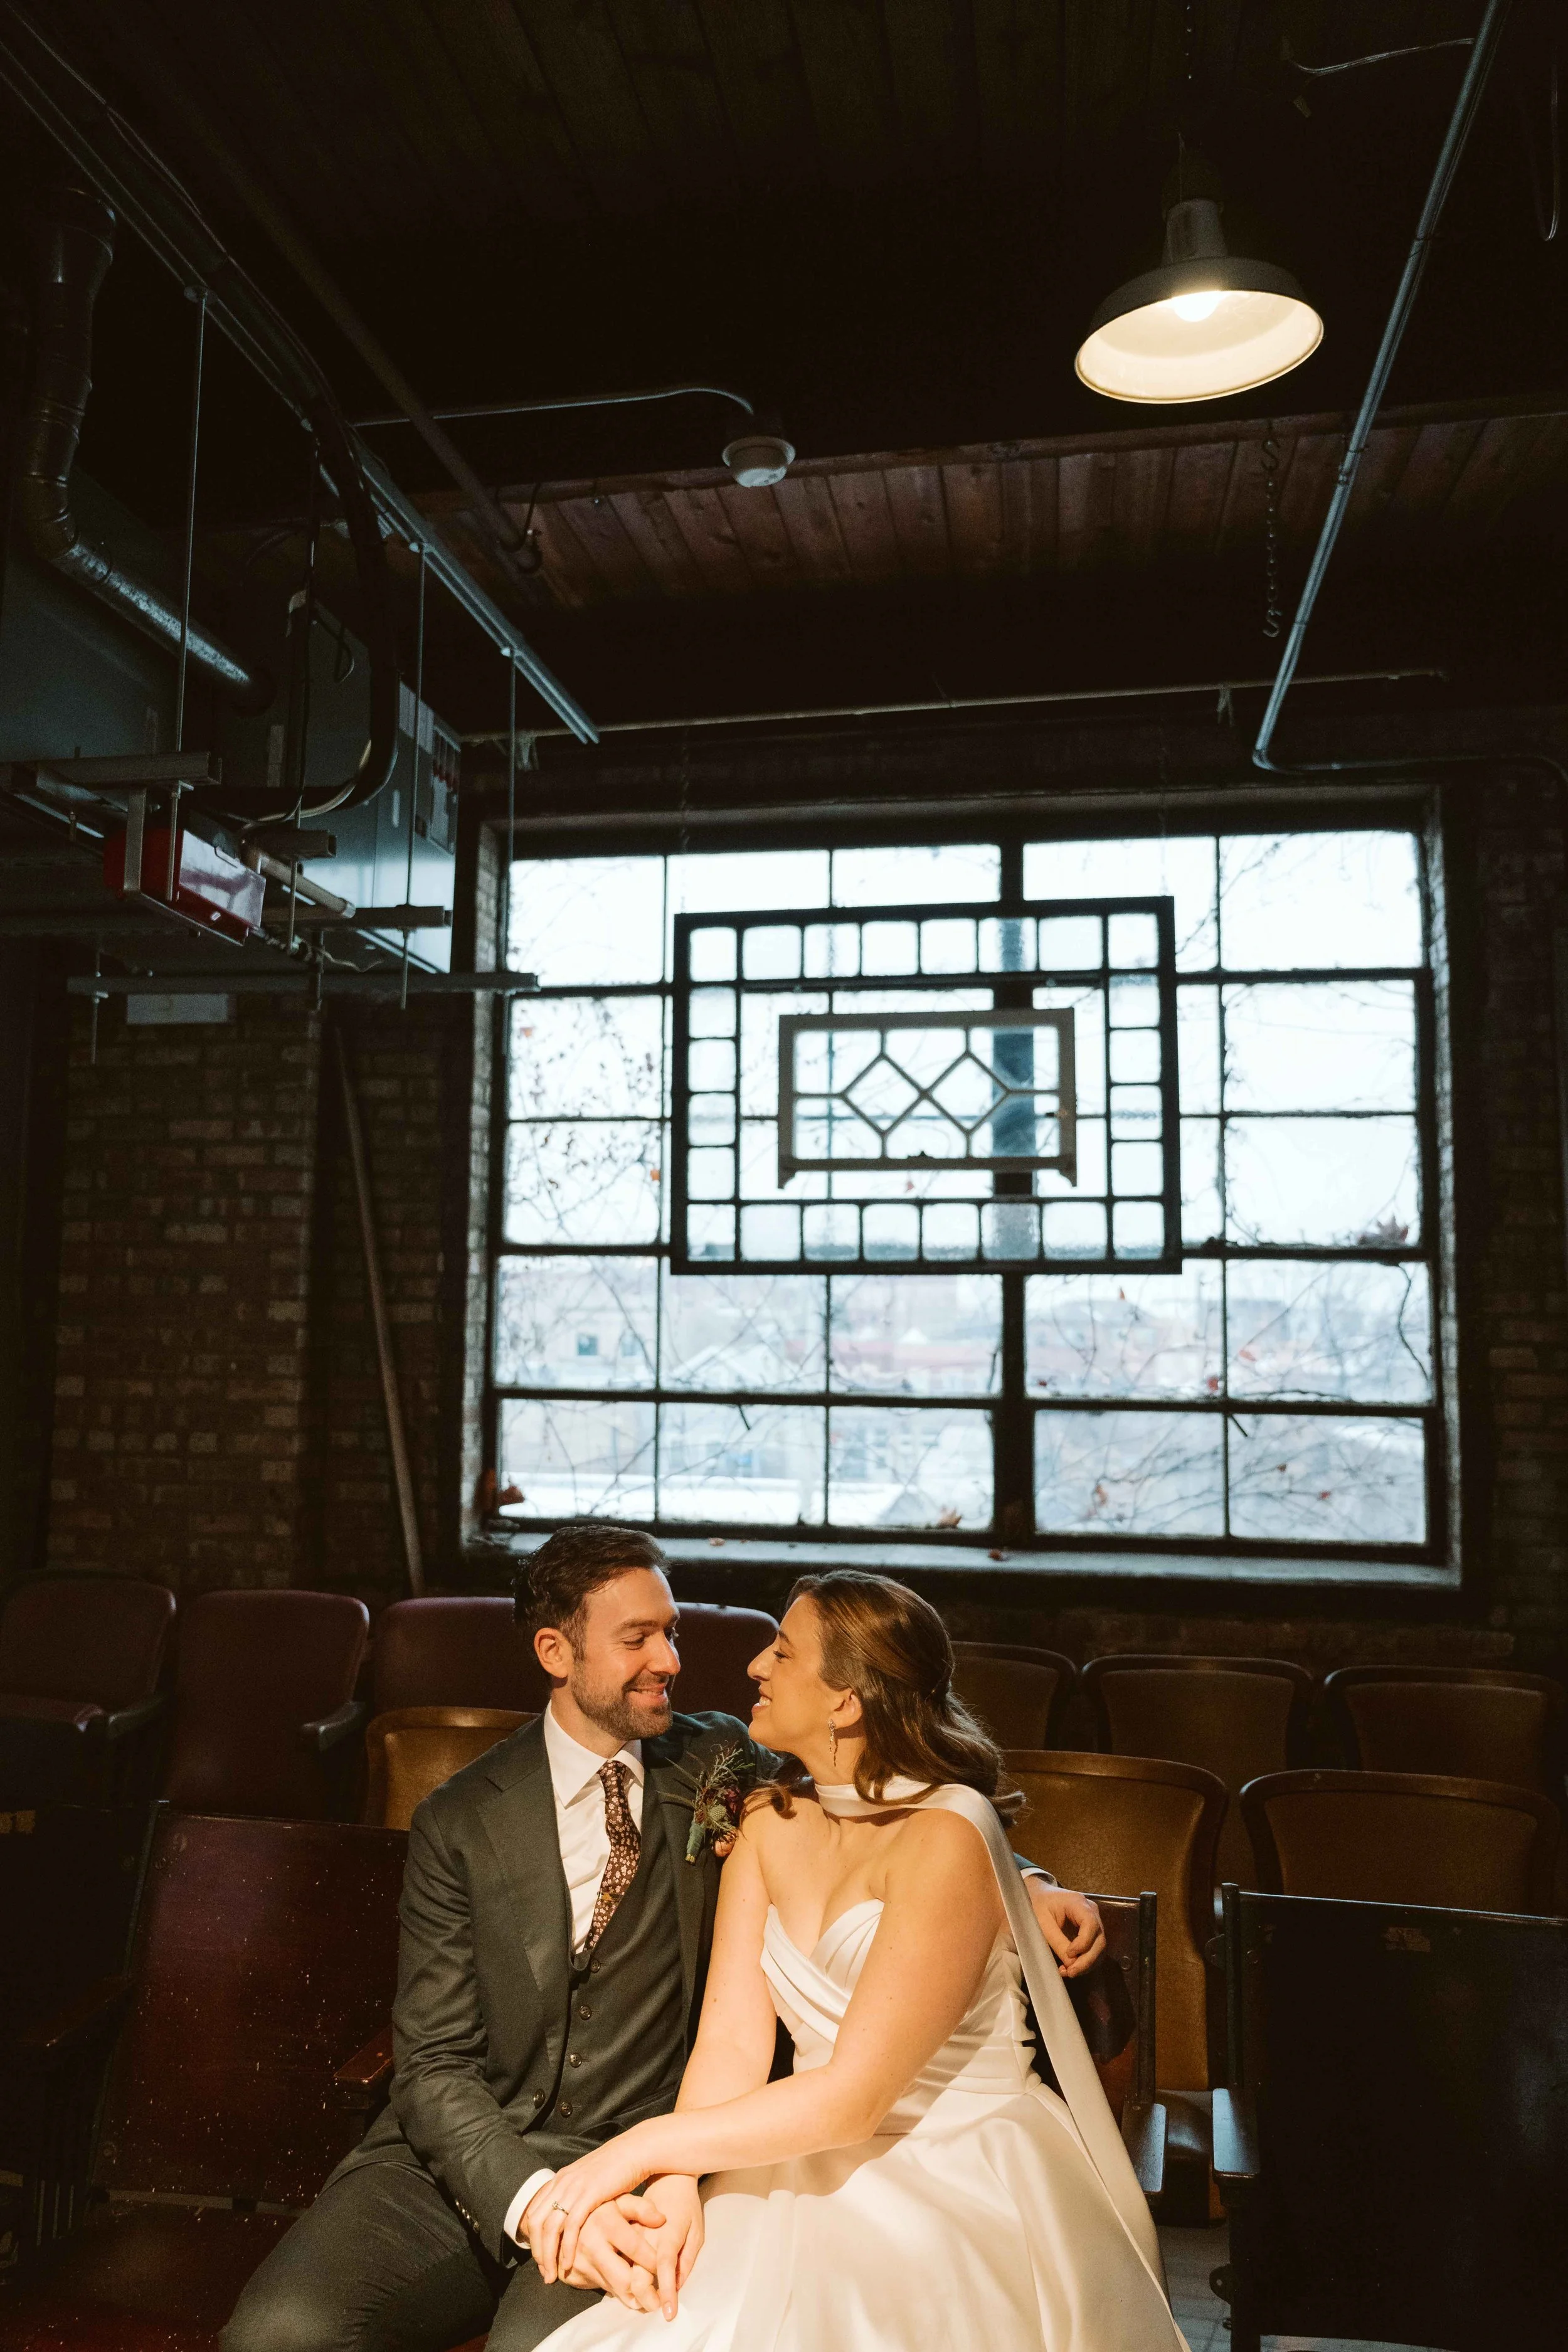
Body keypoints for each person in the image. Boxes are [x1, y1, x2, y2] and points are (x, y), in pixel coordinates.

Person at [223, 1528, 1108, 2351]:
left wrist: (1019, 1878)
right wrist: (532, 2200)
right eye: (638, 1638)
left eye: (673, 1632)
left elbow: (884, 1800)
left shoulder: (716, 1763)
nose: (672, 1661)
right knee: (276, 2333)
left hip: (641, 2157)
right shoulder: (459, 1819)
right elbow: (434, 2064)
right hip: (461, 2160)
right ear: (556, 1654)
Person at [523, 1569, 1187, 2352]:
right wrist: (678, 2184)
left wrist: (635, 2151)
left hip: (951, 2164)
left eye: (782, 1652)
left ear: (844, 1700)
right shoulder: (769, 1819)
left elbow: (853, 2100)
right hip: (791, 2148)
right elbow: (733, 2043)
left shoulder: (948, 1835)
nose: (754, 1668)